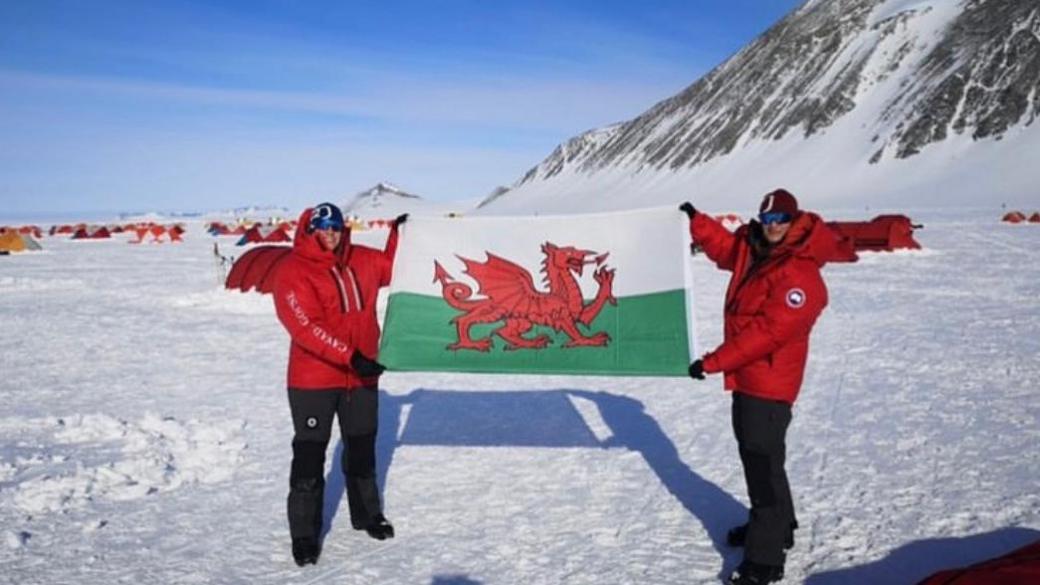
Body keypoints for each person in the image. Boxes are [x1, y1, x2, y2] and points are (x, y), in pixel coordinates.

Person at [680, 189, 840, 585]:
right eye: (767, 220)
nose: (773, 227)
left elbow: (767, 334)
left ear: (794, 219)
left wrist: (713, 362)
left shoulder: (800, 274)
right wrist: (696, 221)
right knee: (764, 459)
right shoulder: (755, 249)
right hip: (750, 379)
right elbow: (724, 248)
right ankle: (779, 528)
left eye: (781, 220)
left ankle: (765, 560)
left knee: (761, 466)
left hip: (769, 383)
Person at [272, 202, 407, 566]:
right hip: (313, 380)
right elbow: (305, 327)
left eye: (336, 226)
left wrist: (400, 234)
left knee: (362, 446)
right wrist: (351, 355)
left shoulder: (361, 259)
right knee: (310, 454)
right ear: (309, 229)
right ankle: (303, 534)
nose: (330, 233)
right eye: (323, 227)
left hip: (361, 376)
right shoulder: (293, 271)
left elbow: (395, 269)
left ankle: (367, 515)